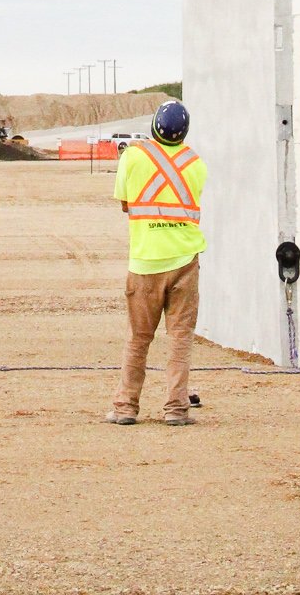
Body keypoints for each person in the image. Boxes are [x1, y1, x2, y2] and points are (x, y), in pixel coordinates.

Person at [107, 98, 206, 426]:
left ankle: (126, 407)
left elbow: (126, 204)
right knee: (180, 337)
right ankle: (176, 409)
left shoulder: (133, 156)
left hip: (146, 262)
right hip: (184, 261)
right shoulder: (196, 163)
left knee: (138, 337)